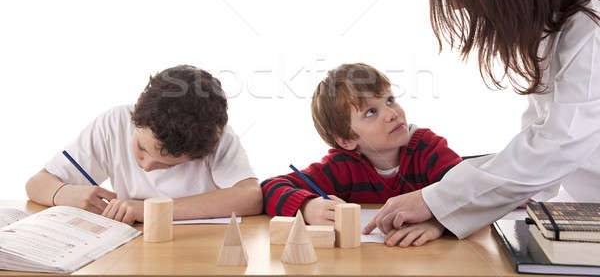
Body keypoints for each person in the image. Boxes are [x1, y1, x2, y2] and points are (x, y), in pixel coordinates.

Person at [364, 0, 600, 245]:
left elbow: (556, 147)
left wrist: (437, 202)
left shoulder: (592, 25)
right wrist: (447, 212)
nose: (461, 5)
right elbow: (541, 139)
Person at [26, 65, 262, 224]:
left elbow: (250, 196)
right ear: (137, 109)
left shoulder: (217, 138)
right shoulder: (115, 122)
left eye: (166, 165)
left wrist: (150, 209)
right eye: (141, 148)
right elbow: (37, 184)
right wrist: (62, 193)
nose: (147, 166)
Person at [261, 63, 462, 246]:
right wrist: (307, 206)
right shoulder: (342, 166)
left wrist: (437, 222)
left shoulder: (428, 148)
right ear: (346, 140)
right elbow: (270, 188)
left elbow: (469, 189)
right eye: (371, 112)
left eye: (390, 100)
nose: (392, 114)